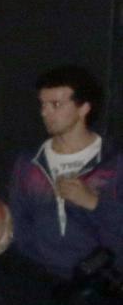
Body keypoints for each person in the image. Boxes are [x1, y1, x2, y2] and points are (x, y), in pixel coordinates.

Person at [10, 65, 123, 283]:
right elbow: (20, 226)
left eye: (56, 105)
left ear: (83, 108)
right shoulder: (30, 164)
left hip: (102, 285)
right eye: (43, 104)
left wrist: (94, 203)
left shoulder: (113, 162)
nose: (45, 112)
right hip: (43, 285)